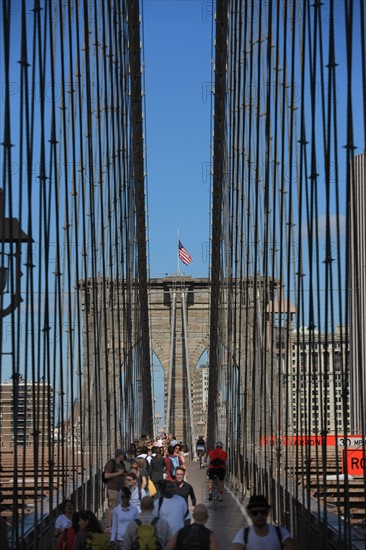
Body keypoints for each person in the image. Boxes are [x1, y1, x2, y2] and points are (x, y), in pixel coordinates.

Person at [104, 449, 126, 530]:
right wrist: (118, 473)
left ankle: (117, 524)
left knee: (119, 506)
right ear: (119, 455)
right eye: (123, 455)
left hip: (120, 488)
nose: (124, 456)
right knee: (112, 506)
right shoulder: (111, 463)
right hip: (113, 488)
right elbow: (106, 475)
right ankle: (109, 526)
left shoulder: (121, 464)